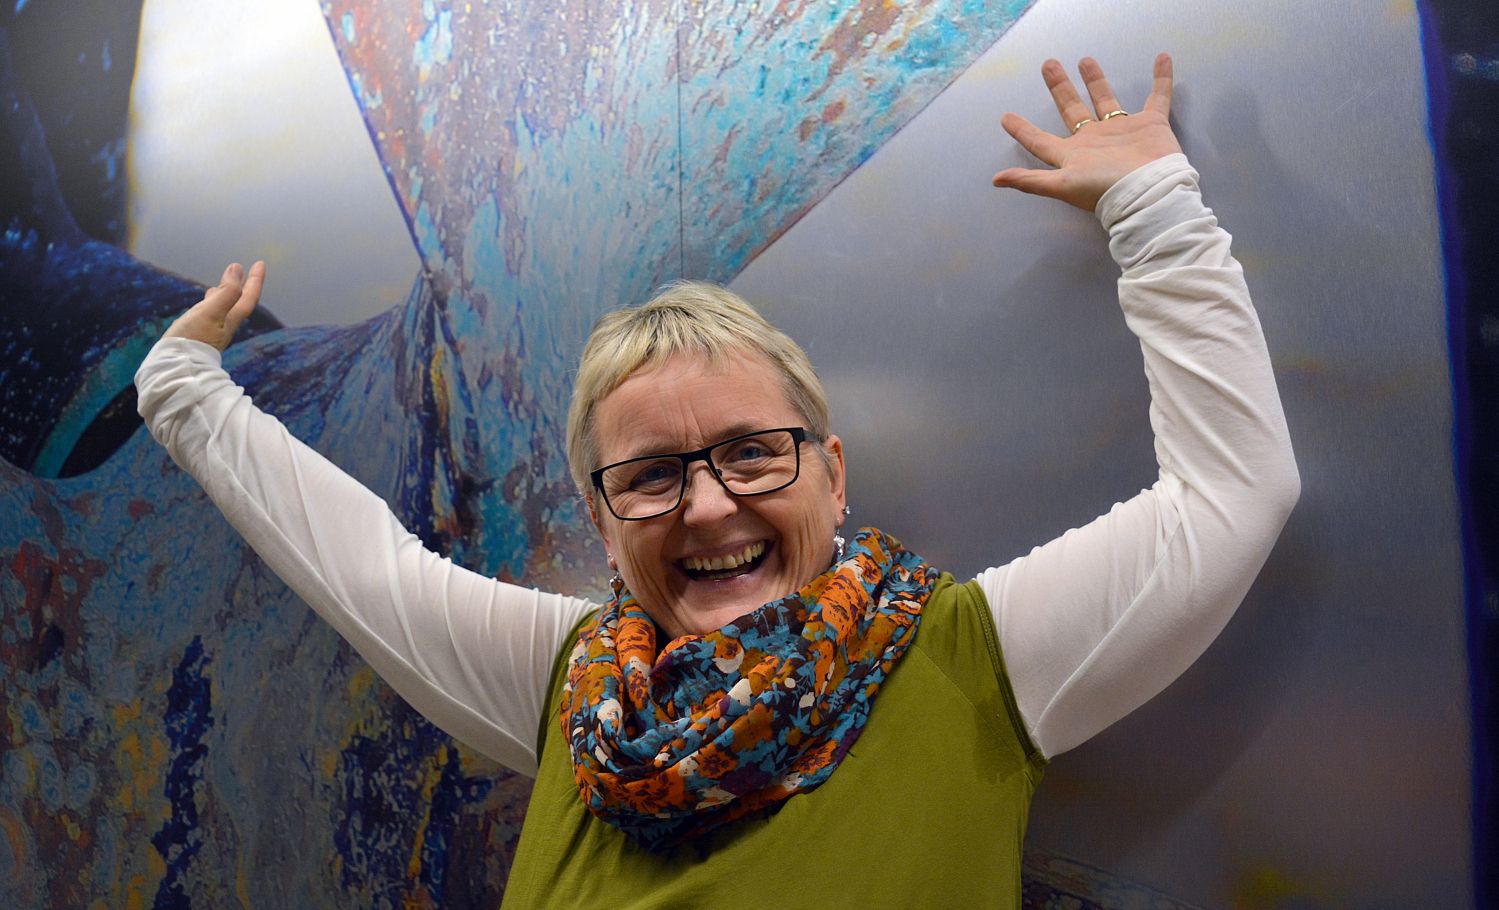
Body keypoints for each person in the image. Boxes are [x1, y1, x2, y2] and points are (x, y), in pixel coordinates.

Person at [133, 54, 1298, 907]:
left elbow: (1231, 496)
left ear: (830, 475)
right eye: (650, 475)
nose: (705, 506)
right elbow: (359, 565)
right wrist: (181, 389)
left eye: (749, 453)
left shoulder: (969, 658)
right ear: (602, 521)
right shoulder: (568, 687)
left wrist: (1154, 207)